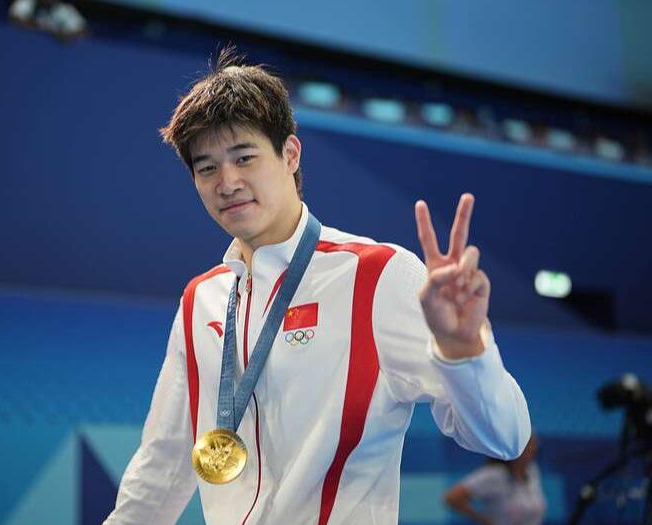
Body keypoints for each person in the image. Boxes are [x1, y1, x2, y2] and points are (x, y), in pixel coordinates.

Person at [102, 48, 531, 525]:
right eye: (207, 168)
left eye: (244, 157)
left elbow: (505, 438)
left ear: (290, 154)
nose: (227, 182)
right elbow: (162, 465)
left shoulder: (379, 276)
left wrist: (464, 350)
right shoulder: (201, 299)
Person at [444, 435, 545, 525]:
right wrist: (483, 519)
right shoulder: (495, 475)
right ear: (514, 447)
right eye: (529, 444)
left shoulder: (532, 471)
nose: (534, 448)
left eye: (534, 443)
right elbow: (452, 497)